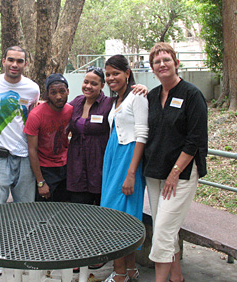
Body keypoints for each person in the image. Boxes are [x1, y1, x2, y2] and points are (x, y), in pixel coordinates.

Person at [143, 42, 207, 282]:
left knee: (163, 230)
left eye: (166, 59)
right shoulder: (151, 95)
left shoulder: (192, 95)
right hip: (155, 171)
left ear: (176, 63)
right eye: (157, 61)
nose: (162, 64)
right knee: (166, 227)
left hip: (181, 173)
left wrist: (175, 172)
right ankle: (177, 277)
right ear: (152, 68)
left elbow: (196, 140)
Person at [0, 46, 40, 276]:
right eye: (11, 60)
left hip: (25, 157)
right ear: (3, 60)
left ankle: (22, 252)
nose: (15, 64)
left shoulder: (32, 88)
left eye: (20, 61)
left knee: (25, 208)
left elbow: (33, 118)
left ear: (25, 64)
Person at [100, 55, 149, 282]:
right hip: (113, 156)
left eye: (115, 73)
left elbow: (142, 135)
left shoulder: (136, 97)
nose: (111, 78)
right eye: (108, 74)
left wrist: (131, 173)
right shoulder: (116, 100)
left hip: (128, 158)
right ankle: (129, 270)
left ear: (127, 73)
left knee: (117, 218)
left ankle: (119, 274)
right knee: (120, 215)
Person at [67, 66, 112, 206]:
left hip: (98, 166)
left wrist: (141, 88)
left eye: (94, 83)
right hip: (77, 166)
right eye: (86, 82)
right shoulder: (77, 102)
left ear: (102, 85)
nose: (88, 86)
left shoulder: (109, 104)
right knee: (78, 210)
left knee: (100, 211)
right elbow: (59, 111)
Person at [24, 73, 73, 202]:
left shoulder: (71, 110)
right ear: (47, 94)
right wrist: (40, 182)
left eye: (62, 91)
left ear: (68, 91)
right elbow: (32, 150)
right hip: (45, 169)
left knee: (65, 209)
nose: (58, 96)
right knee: (44, 211)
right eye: (53, 92)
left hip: (66, 166)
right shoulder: (36, 115)